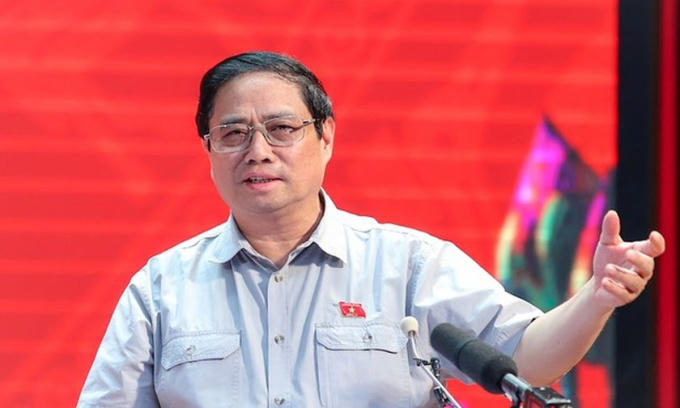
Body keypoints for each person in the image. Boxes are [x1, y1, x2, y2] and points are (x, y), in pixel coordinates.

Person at [77, 51, 665, 407]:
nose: (257, 150)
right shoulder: (162, 288)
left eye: (282, 129)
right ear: (209, 150)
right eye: (233, 134)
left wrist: (598, 296)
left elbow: (529, 360)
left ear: (325, 137)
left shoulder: (407, 265)